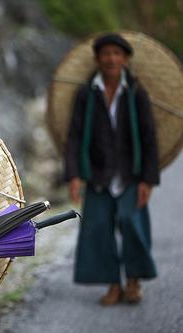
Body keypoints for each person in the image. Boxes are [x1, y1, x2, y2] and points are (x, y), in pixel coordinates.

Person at [65, 33, 159, 305]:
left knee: (133, 225)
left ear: (126, 59)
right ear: (97, 59)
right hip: (97, 175)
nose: (111, 59)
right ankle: (112, 285)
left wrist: (147, 180)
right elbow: (75, 134)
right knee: (98, 229)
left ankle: (133, 281)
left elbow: (148, 137)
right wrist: (73, 174)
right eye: (106, 54)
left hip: (131, 174)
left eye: (117, 54)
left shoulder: (136, 93)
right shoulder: (87, 93)